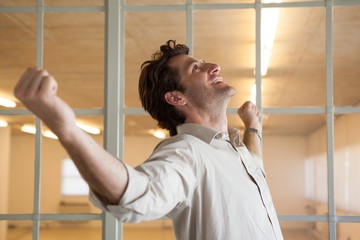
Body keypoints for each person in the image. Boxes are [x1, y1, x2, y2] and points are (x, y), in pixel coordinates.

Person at [14, 40, 283, 240]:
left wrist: (253, 127)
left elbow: (256, 164)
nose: (215, 67)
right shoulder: (186, 153)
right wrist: (68, 131)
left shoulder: (232, 148)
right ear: (177, 98)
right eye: (196, 68)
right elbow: (136, 194)